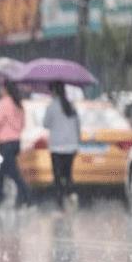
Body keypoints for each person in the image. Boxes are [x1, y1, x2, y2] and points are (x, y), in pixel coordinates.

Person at [0, 80, 30, 208]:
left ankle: (27, 196)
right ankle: (2, 197)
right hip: (16, 143)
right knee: (2, 172)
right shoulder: (18, 104)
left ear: (5, 89)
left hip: (6, 143)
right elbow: (23, 125)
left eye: (1, 88)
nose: (0, 90)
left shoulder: (2, 104)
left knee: (13, 173)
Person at [43, 81, 81, 210]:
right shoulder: (71, 106)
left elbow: (45, 124)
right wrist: (77, 143)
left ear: (53, 91)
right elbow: (77, 126)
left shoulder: (51, 106)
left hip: (57, 147)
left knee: (58, 176)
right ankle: (71, 194)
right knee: (68, 174)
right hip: (71, 146)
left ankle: (60, 204)